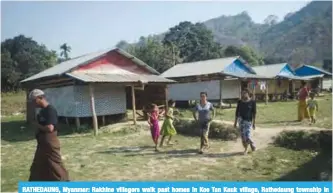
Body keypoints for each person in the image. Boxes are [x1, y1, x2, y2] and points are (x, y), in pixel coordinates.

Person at [28, 89, 69, 181]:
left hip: (50, 142)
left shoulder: (50, 110)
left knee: (55, 165)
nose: (33, 104)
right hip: (42, 143)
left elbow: (50, 128)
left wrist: (36, 125)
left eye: (34, 101)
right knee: (39, 166)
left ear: (40, 98)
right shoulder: (42, 111)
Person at [234, 89, 257, 155]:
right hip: (241, 121)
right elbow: (237, 112)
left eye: (244, 93)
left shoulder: (252, 102)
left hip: (248, 121)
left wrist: (254, 123)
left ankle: (246, 149)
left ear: (248, 93)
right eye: (242, 93)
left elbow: (254, 113)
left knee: (247, 136)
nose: (243, 95)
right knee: (243, 137)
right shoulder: (240, 101)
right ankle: (252, 144)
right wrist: (235, 122)